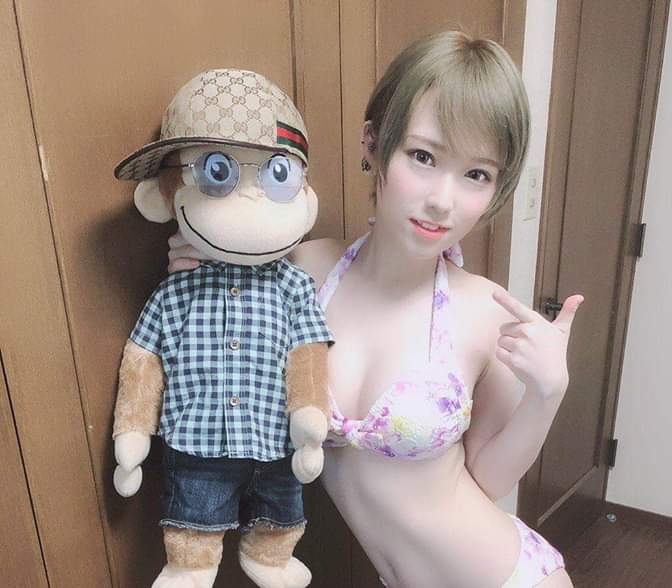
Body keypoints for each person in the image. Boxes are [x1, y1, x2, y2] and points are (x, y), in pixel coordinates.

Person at [168, 31, 582, 588]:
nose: (442, 200)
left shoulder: (488, 312)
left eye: (476, 174)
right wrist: (202, 261)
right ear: (372, 143)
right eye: (423, 156)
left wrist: (547, 394)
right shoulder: (303, 274)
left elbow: (487, 478)